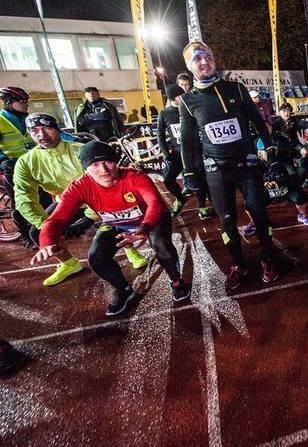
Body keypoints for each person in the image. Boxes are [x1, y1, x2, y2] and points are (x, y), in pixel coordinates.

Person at [30, 141, 190, 316]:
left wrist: (144, 228)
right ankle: (124, 290)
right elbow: (56, 219)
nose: (103, 170)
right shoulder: (79, 186)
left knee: (162, 245)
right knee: (96, 257)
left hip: (150, 220)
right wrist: (47, 242)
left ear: (116, 163)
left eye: (108, 162)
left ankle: (176, 281)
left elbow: (155, 204)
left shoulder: (134, 177)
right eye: (94, 165)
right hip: (116, 223)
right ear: (85, 169)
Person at [178, 41, 278, 289]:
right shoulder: (187, 101)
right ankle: (238, 265)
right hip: (216, 171)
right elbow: (188, 140)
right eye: (197, 59)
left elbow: (256, 119)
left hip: (247, 166)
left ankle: (268, 259)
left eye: (208, 56)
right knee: (226, 220)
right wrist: (189, 171)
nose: (204, 62)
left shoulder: (237, 88)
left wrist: (270, 147)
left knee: (260, 213)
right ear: (189, 66)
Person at [14, 112, 148, 285]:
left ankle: (129, 249)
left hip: (98, 200)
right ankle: (69, 264)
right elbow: (24, 198)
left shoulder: (81, 151)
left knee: (114, 217)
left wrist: (88, 218)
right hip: (67, 203)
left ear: (57, 129)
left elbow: (105, 183)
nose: (42, 134)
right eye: (35, 130)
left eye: (47, 128)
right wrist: (46, 227)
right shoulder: (25, 162)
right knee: (38, 232)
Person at [157, 85, 211, 219]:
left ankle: (202, 207)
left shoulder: (189, 108)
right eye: (179, 96)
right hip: (177, 152)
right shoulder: (165, 113)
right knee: (168, 179)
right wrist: (165, 153)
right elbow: (160, 135)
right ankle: (180, 198)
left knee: (198, 180)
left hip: (194, 152)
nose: (183, 97)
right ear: (172, 98)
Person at [1, 86, 39, 248]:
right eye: (22, 101)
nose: (26, 105)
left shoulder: (27, 119)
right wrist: (3, 160)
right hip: (12, 166)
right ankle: (26, 236)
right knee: (21, 202)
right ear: (9, 103)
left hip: (33, 164)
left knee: (41, 200)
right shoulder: (1, 120)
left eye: (26, 101)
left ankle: (41, 232)